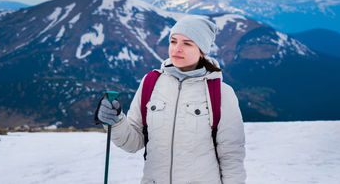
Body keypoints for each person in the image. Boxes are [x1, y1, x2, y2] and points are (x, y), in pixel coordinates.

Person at [95, 15, 246, 184]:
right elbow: (133, 142)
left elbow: (231, 157)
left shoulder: (221, 93)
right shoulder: (150, 83)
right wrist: (116, 122)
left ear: (202, 51)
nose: (177, 49)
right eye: (173, 41)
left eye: (187, 43)